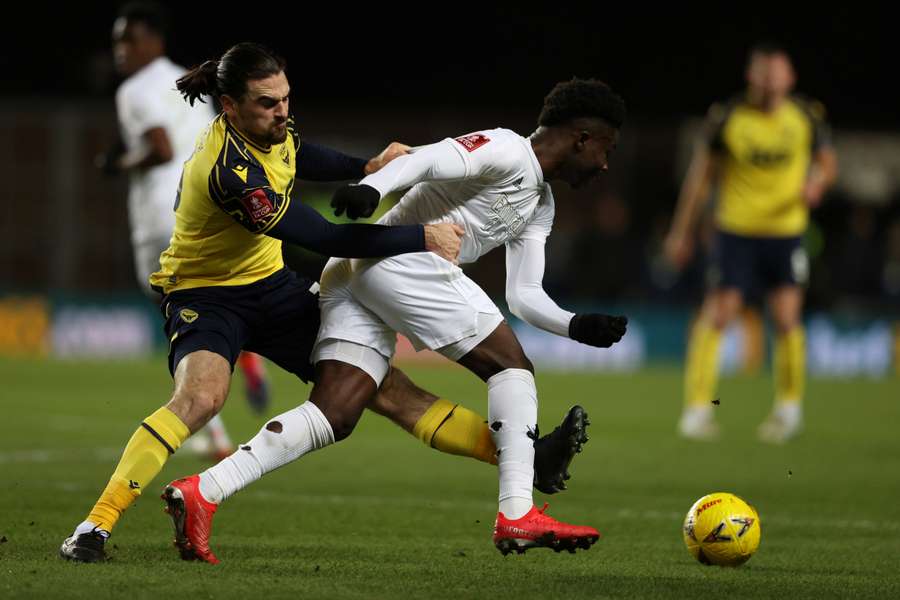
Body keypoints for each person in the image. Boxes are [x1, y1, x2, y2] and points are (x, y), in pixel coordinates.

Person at [60, 42, 588, 564]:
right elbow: (330, 239)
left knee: (378, 386)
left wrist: (367, 164)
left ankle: (521, 458)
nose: (282, 111)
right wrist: (421, 238)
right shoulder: (231, 174)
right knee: (202, 399)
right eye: (268, 102)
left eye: (285, 98)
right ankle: (96, 525)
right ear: (230, 106)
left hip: (271, 287)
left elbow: (301, 153)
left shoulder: (271, 127)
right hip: (206, 295)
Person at [164, 77, 628, 560]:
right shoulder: (508, 148)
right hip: (403, 258)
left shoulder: (541, 204)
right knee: (511, 367)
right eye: (606, 148)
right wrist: (369, 188)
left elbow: (524, 294)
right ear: (582, 138)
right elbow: (426, 157)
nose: (605, 164)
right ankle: (516, 514)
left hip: (354, 274)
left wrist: (574, 325)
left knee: (336, 411)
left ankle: (204, 491)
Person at [103, 2, 269, 458]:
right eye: (118, 40)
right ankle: (248, 355)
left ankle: (210, 430)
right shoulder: (189, 80)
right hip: (205, 210)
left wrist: (117, 162)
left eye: (128, 39)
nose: (121, 50)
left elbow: (159, 148)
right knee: (208, 302)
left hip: (160, 217)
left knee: (177, 318)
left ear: (153, 41)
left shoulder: (134, 89)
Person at [664, 43, 837, 443]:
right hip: (735, 232)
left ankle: (788, 409)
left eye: (778, 74)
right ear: (751, 77)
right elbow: (700, 177)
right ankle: (696, 409)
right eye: (764, 74)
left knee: (787, 319)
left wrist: (817, 182)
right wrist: (681, 231)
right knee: (720, 313)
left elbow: (828, 163)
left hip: (786, 232)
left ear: (790, 78)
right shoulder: (728, 119)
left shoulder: (805, 118)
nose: (771, 82)